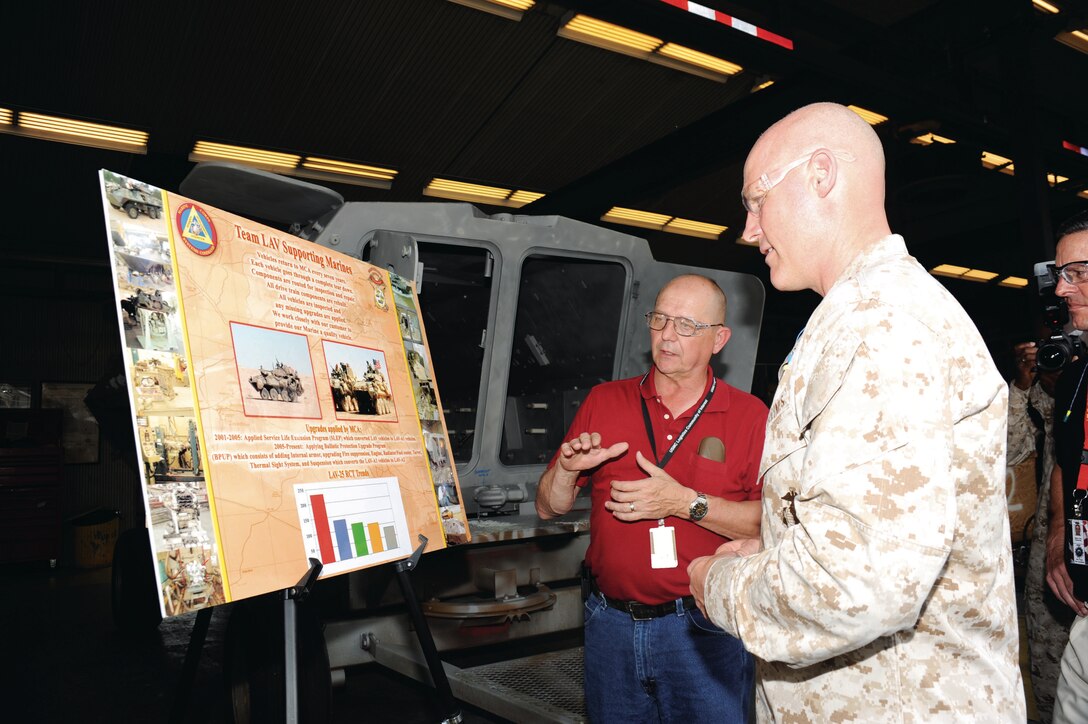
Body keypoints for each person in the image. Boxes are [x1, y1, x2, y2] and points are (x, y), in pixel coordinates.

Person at [686, 102, 1025, 721]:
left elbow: (856, 583)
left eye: (756, 200)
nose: (748, 228)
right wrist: (773, 548)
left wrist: (718, 585)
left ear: (820, 175)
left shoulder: (879, 325)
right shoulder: (863, 315)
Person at [536, 274, 768, 722]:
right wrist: (565, 470)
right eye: (659, 318)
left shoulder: (749, 416)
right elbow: (549, 507)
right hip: (610, 627)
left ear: (718, 339)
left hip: (706, 629)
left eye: (685, 325)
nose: (666, 334)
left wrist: (683, 503)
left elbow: (768, 525)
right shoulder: (605, 401)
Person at [1043, 210, 1088, 722]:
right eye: (1058, 273)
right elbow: (1065, 462)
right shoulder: (1077, 378)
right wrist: (1059, 536)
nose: (1059, 289)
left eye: (1075, 273)